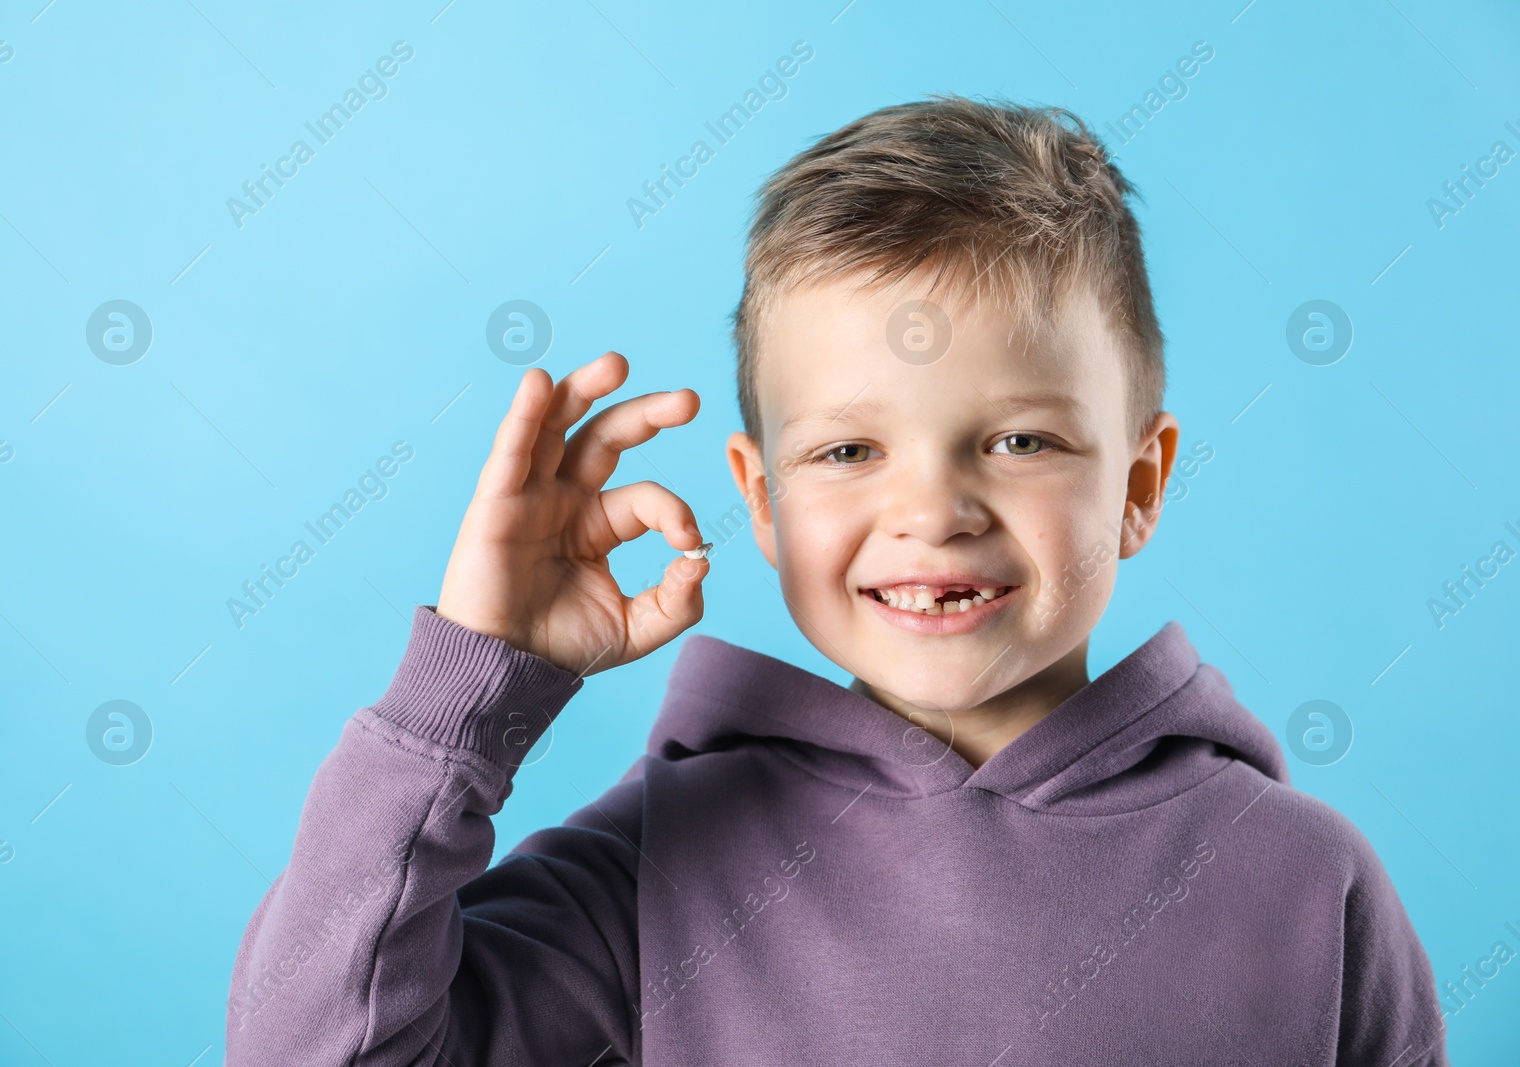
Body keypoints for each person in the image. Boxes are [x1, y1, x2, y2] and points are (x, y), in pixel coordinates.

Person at [225, 95, 1447, 1065]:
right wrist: (468, 690)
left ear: (1139, 481)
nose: (930, 509)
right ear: (759, 498)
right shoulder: (664, 860)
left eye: (1019, 439)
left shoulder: (1305, 879)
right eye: (850, 449)